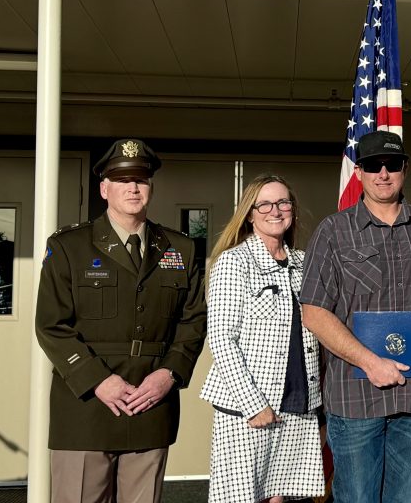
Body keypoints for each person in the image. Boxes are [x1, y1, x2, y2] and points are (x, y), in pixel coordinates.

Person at [36, 138, 206, 503]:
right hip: (85, 408)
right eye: (122, 179)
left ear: (151, 187)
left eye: (141, 179)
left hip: (151, 404)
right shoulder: (70, 246)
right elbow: (51, 325)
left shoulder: (181, 249)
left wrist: (169, 375)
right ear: (104, 188)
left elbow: (193, 321)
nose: (133, 187)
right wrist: (98, 380)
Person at [299, 130, 411, 503]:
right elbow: (314, 312)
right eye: (372, 165)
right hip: (356, 401)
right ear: (359, 172)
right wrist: (370, 362)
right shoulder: (333, 232)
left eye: (392, 164)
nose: (383, 173)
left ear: (404, 169)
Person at [199, 174, 324, 502]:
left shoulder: (304, 262)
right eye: (265, 204)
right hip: (249, 406)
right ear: (250, 213)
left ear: (293, 210)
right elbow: (222, 338)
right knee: (242, 497)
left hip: (299, 402)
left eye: (283, 202)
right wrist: (253, 404)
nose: (276, 210)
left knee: (283, 498)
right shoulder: (234, 261)